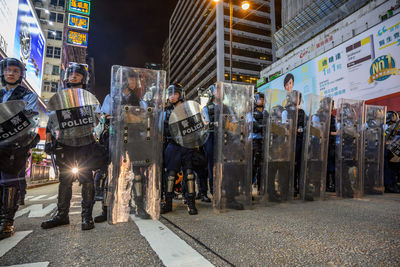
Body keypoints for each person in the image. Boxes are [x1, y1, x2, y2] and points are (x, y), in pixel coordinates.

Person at [41, 63, 99, 231]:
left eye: (78, 74)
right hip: (65, 143)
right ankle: (62, 215)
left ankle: (87, 216)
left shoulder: (88, 97)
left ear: (84, 77)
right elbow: (52, 120)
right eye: (71, 73)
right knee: (64, 179)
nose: (74, 76)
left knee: (87, 178)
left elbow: (96, 119)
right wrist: (49, 139)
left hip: (85, 143)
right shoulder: (60, 96)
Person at [0, 58, 39, 239]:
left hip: (15, 145)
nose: (11, 73)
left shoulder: (27, 95)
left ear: (20, 74)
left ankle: (7, 222)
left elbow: (28, 116)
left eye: (15, 71)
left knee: (9, 181)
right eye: (8, 70)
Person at [162, 83, 198, 215]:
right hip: (172, 145)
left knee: (189, 174)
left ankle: (191, 203)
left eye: (175, 93)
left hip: (186, 144)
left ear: (181, 94)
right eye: (170, 94)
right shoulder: (166, 111)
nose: (172, 96)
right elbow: (164, 129)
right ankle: (168, 203)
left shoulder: (188, 109)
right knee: (171, 175)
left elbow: (196, 126)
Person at [252, 92, 267, 193]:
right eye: (260, 99)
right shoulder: (251, 113)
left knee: (263, 165)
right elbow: (255, 127)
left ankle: (261, 187)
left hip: (264, 141)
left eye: (263, 99)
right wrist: (264, 126)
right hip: (255, 141)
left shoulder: (266, 113)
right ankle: (250, 188)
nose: (262, 100)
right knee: (254, 165)